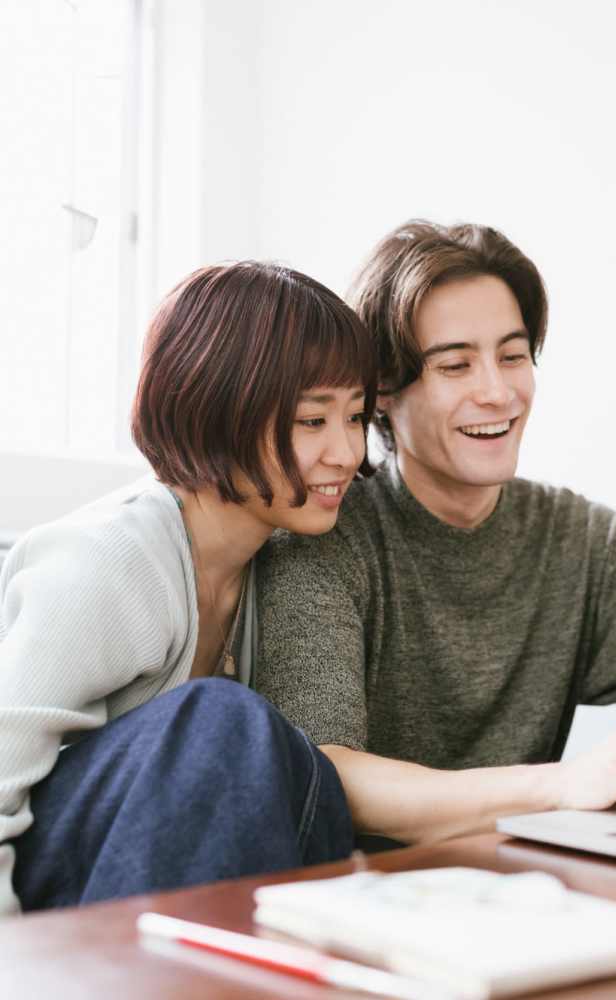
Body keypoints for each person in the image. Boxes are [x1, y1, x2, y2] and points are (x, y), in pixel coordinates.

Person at [254, 222, 616, 847]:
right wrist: (565, 785)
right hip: (370, 895)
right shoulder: (324, 540)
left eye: (512, 356)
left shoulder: (579, 538)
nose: (498, 392)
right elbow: (329, 772)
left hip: (525, 891)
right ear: (383, 394)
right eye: (456, 365)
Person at [0, 261, 377, 916]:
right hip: (43, 904)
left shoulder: (276, 562)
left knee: (301, 765)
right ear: (217, 412)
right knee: (222, 722)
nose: (347, 452)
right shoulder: (105, 562)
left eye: (357, 417)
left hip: (138, 886)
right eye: (312, 422)